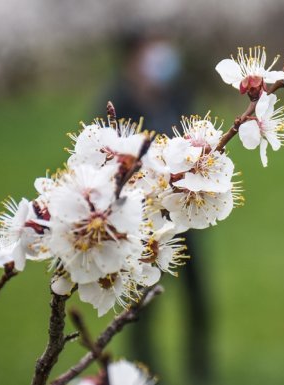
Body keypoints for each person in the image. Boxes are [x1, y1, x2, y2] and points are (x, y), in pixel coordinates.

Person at [98, 28, 211, 383]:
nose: (158, 60)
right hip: (141, 221)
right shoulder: (116, 102)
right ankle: (146, 371)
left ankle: (201, 369)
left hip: (183, 215)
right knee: (142, 305)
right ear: (132, 60)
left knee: (198, 299)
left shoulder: (177, 95)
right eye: (148, 54)